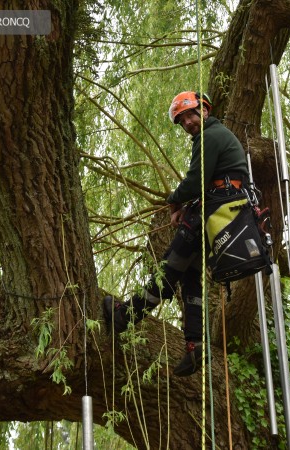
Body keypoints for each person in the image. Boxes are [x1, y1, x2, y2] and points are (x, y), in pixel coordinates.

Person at [103, 91, 249, 376]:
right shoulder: (215, 135)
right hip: (216, 216)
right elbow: (206, 183)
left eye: (191, 115)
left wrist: (174, 200)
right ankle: (195, 346)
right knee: (191, 279)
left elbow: (196, 181)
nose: (188, 123)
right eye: (182, 121)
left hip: (210, 214)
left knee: (168, 272)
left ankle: (124, 316)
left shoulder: (210, 136)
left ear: (204, 110)